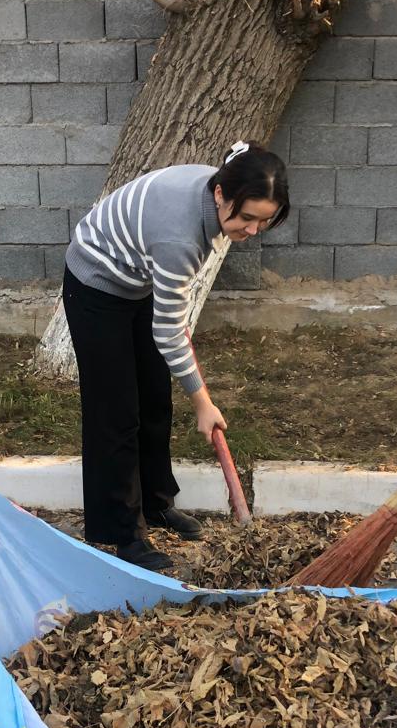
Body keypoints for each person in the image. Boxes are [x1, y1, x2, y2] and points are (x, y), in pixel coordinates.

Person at [63, 141, 289, 572]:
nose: (253, 230)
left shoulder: (217, 191)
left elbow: (168, 321)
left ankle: (155, 503)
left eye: (264, 220)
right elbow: (169, 331)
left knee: (154, 399)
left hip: (137, 278)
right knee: (116, 413)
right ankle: (123, 533)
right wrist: (203, 403)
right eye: (247, 218)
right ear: (221, 194)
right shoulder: (180, 236)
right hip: (96, 283)